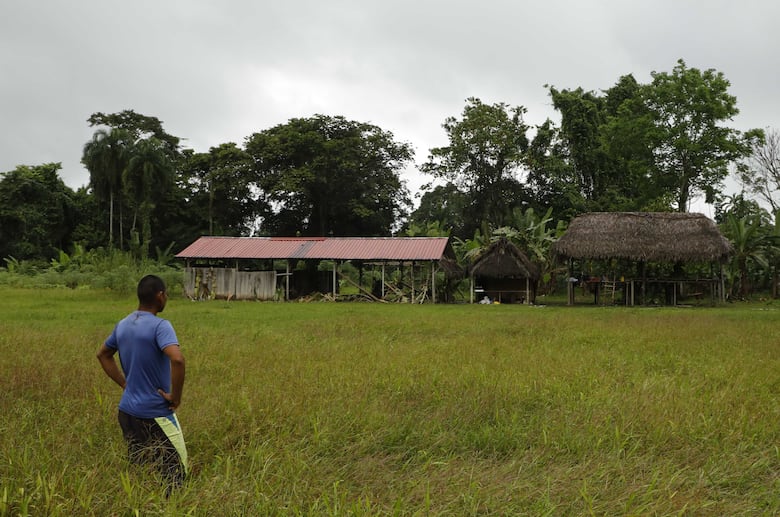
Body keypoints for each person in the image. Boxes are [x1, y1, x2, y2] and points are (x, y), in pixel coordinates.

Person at [97, 275, 188, 490]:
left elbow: (103, 355)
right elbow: (177, 359)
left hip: (127, 413)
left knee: (140, 475)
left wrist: (124, 384)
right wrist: (176, 398)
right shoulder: (160, 326)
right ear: (160, 296)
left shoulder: (123, 324)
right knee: (177, 477)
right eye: (166, 294)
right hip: (155, 414)